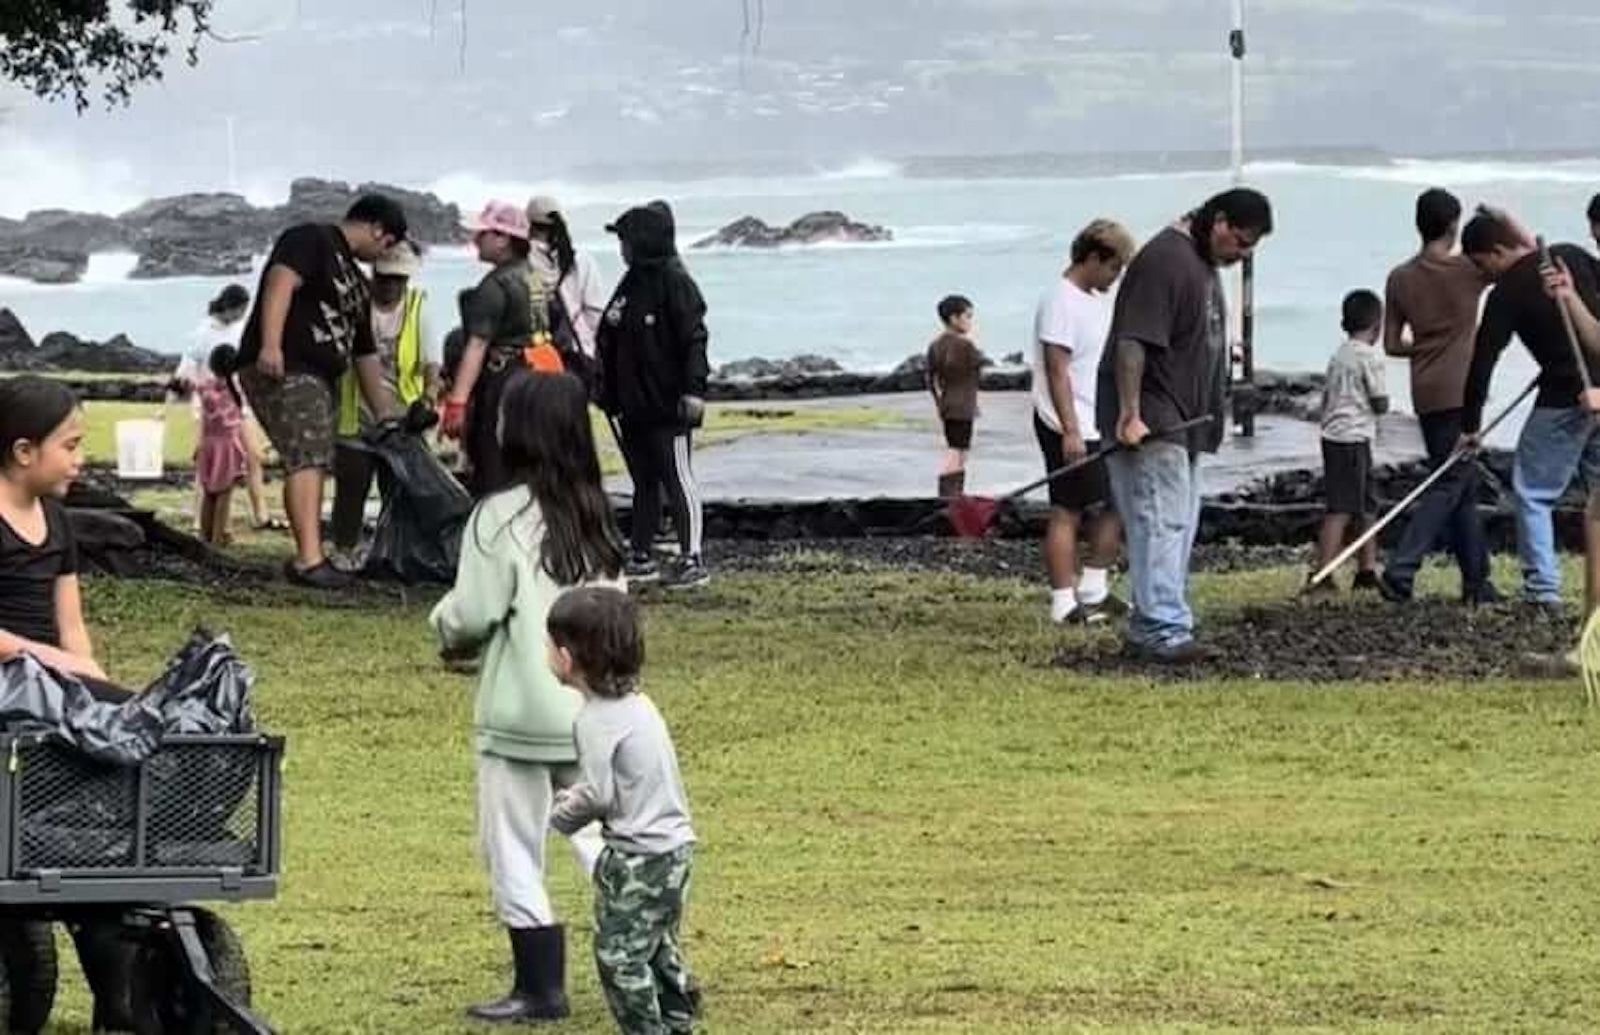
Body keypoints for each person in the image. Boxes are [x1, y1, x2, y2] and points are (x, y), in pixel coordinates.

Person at [430, 371, 622, 1024]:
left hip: (520, 713)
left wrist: (443, 631)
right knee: (604, 839)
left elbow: (470, 613)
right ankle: (655, 956)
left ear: (518, 433)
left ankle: (540, 986)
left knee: (513, 845)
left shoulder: (497, 516)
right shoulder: (596, 515)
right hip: (591, 707)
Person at [1095, 188, 1273, 663]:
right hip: (1154, 417)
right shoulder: (1164, 260)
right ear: (1219, 221)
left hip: (1189, 421)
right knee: (1160, 521)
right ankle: (1163, 628)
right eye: (1240, 242)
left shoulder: (1202, 263)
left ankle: (1154, 621)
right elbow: (1132, 342)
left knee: (1179, 523)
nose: (1242, 254)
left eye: (1251, 248)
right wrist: (1129, 413)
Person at [236, 195, 409, 589]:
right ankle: (309, 560)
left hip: (321, 376)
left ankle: (310, 554)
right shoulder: (312, 239)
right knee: (309, 454)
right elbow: (281, 281)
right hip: (290, 365)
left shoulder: (357, 282)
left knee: (310, 456)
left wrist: (385, 412)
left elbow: (364, 354)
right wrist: (271, 344)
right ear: (376, 228)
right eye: (387, 244)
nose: (383, 254)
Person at [548, 586, 700, 1035]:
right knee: (658, 945)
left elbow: (599, 796)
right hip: (676, 850)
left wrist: (559, 816)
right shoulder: (639, 706)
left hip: (639, 858)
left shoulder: (594, 720)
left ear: (565, 658)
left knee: (619, 955)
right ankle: (678, 1022)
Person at [1376, 190, 1523, 604]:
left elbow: (1392, 344)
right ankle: (1401, 570)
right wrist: (1502, 218)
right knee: (1449, 482)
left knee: (1460, 484)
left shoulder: (1399, 277)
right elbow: (1522, 258)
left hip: (1425, 390)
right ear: (1454, 226)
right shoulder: (1468, 270)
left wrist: (1426, 345)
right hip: (1462, 389)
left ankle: (1477, 582)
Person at [1459, 212, 1600, 611]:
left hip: (1564, 397)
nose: (1483, 275)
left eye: (1481, 264)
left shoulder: (1506, 293)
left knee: (1534, 492)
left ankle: (1542, 590)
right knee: (1598, 493)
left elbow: (1483, 360)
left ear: (1497, 251)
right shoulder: (1570, 255)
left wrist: (1470, 426)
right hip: (1594, 389)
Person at [598, 202, 712, 590]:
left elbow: (694, 339)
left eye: (626, 240)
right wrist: (606, 391)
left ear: (643, 241)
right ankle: (641, 553)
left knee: (678, 478)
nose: (622, 249)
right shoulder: (630, 284)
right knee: (644, 481)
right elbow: (609, 336)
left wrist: (694, 391)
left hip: (668, 406)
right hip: (632, 407)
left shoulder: (676, 283)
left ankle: (692, 556)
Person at [1033, 219, 1137, 624]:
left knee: (1115, 503)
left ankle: (1094, 587)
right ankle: (1063, 602)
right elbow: (1056, 370)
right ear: (1092, 258)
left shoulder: (1095, 300)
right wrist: (1071, 429)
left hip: (1101, 419)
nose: (1116, 277)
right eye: (1113, 268)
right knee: (1068, 510)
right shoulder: (1059, 299)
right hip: (1067, 422)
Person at [330, 240, 438, 566]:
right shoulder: (354, 305)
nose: (391, 286)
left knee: (399, 491)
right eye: (385, 278)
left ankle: (395, 552)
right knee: (352, 487)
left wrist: (429, 397)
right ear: (373, 274)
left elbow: (430, 363)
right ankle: (344, 550)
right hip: (355, 416)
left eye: (398, 279)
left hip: (401, 420)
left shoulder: (417, 307)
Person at [0, 377, 107, 686]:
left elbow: (71, 627)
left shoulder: (57, 519)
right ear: (24, 452)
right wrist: (55, 660)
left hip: (46, 682)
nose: (80, 460)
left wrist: (91, 681)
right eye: (70, 446)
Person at [442, 201, 550, 497]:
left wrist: (457, 403)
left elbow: (477, 345)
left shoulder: (495, 285)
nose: (476, 239)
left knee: (494, 462)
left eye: (484, 233)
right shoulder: (534, 276)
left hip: (504, 382)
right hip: (539, 379)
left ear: (503, 239)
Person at [173, 284, 276, 534]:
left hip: (239, 401)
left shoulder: (241, 329)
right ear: (230, 306)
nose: (243, 314)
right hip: (212, 408)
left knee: (253, 456)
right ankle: (203, 521)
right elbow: (185, 373)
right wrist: (174, 400)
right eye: (241, 309)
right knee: (211, 465)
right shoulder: (202, 333)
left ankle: (260, 514)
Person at [1310, 290, 1390, 592]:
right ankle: (1323, 573)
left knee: (1365, 504)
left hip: (1335, 436)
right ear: (1377, 325)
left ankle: (1366, 570)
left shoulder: (1339, 355)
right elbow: (1380, 402)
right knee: (1343, 508)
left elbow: (1326, 399)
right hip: (1353, 438)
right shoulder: (1369, 357)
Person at [528, 195, 609, 385]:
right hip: (578, 355)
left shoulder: (524, 260)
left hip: (536, 357)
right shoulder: (582, 260)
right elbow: (595, 314)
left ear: (529, 224)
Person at [926, 295, 983, 498]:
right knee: (958, 451)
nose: (970, 322)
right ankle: (949, 495)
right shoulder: (966, 346)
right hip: (963, 406)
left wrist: (939, 403)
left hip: (947, 404)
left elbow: (930, 379)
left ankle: (953, 494)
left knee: (956, 448)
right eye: (967, 316)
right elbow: (977, 373)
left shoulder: (935, 345)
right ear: (954, 318)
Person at [195, 346, 251, 547]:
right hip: (228, 447)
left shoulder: (206, 389)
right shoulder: (237, 391)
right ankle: (218, 540)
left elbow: (194, 388)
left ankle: (204, 536)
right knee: (224, 496)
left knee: (208, 494)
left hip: (208, 445)